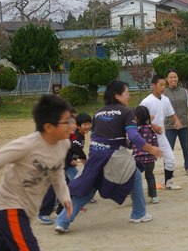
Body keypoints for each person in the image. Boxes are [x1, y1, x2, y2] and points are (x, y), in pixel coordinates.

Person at [0, 94, 73, 250]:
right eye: (67, 121)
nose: (71, 125)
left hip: (27, 211)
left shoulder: (63, 144)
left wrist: (65, 197)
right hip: (10, 206)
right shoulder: (26, 145)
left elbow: (57, 173)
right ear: (49, 127)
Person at [55, 80, 162, 233]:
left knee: (89, 189)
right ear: (117, 96)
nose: (129, 96)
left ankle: (62, 222)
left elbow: (93, 135)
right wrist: (151, 148)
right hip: (114, 153)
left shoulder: (99, 112)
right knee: (136, 174)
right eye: (127, 93)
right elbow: (134, 136)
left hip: (96, 154)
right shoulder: (126, 112)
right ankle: (138, 214)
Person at [140, 74, 182, 190]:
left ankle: (167, 182)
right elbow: (139, 119)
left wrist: (177, 121)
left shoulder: (165, 99)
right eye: (160, 85)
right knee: (141, 163)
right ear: (153, 85)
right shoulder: (146, 102)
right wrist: (152, 125)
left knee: (170, 159)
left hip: (160, 135)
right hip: (146, 137)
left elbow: (171, 113)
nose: (163, 87)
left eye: (164, 85)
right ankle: (130, 186)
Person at [38, 113, 77, 224]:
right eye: (70, 123)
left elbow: (67, 152)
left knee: (69, 187)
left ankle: (60, 210)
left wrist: (70, 160)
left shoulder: (68, 137)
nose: (73, 126)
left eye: (74, 123)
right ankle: (43, 213)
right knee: (52, 190)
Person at [164, 69, 188, 176]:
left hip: (183, 123)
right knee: (169, 148)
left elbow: (187, 105)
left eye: (175, 77)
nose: (173, 79)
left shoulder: (184, 91)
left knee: (186, 147)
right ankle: (168, 169)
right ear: (167, 79)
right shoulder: (163, 93)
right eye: (171, 77)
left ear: (178, 78)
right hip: (170, 125)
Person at [131, 105, 160, 203]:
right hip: (150, 159)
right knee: (150, 176)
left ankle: (135, 197)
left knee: (134, 178)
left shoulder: (134, 130)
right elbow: (155, 142)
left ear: (136, 118)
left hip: (138, 159)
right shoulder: (150, 130)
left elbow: (130, 144)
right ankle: (154, 196)